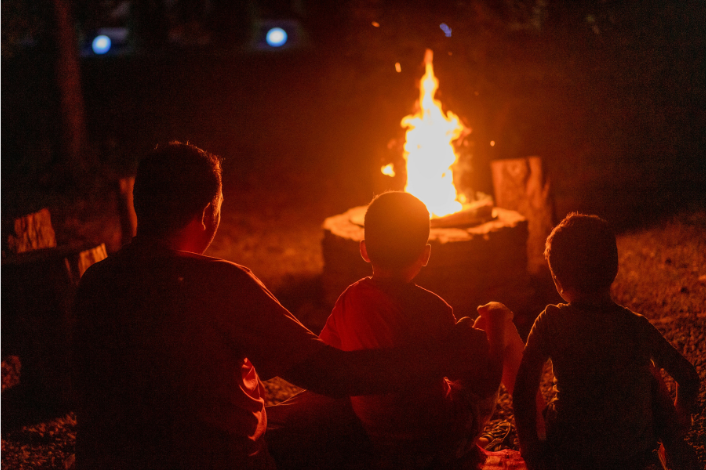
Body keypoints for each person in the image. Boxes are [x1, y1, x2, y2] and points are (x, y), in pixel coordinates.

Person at [72, 142, 491, 470]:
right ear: (207, 213)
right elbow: (330, 374)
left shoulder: (95, 282)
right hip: (220, 462)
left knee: (299, 415)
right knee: (342, 426)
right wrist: (440, 355)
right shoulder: (221, 284)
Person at [317, 191, 526, 469]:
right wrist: (495, 329)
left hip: (381, 441)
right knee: (496, 320)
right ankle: (537, 428)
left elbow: (328, 353)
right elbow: (478, 377)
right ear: (425, 254)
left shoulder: (349, 299)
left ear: (364, 249)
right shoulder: (433, 308)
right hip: (442, 440)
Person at [514, 213, 700, 470]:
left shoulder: (551, 321)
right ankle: (675, 448)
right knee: (650, 376)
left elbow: (524, 388)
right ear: (614, 270)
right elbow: (688, 376)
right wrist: (680, 414)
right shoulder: (636, 326)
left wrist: (531, 449)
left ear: (558, 280)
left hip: (569, 454)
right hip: (632, 456)